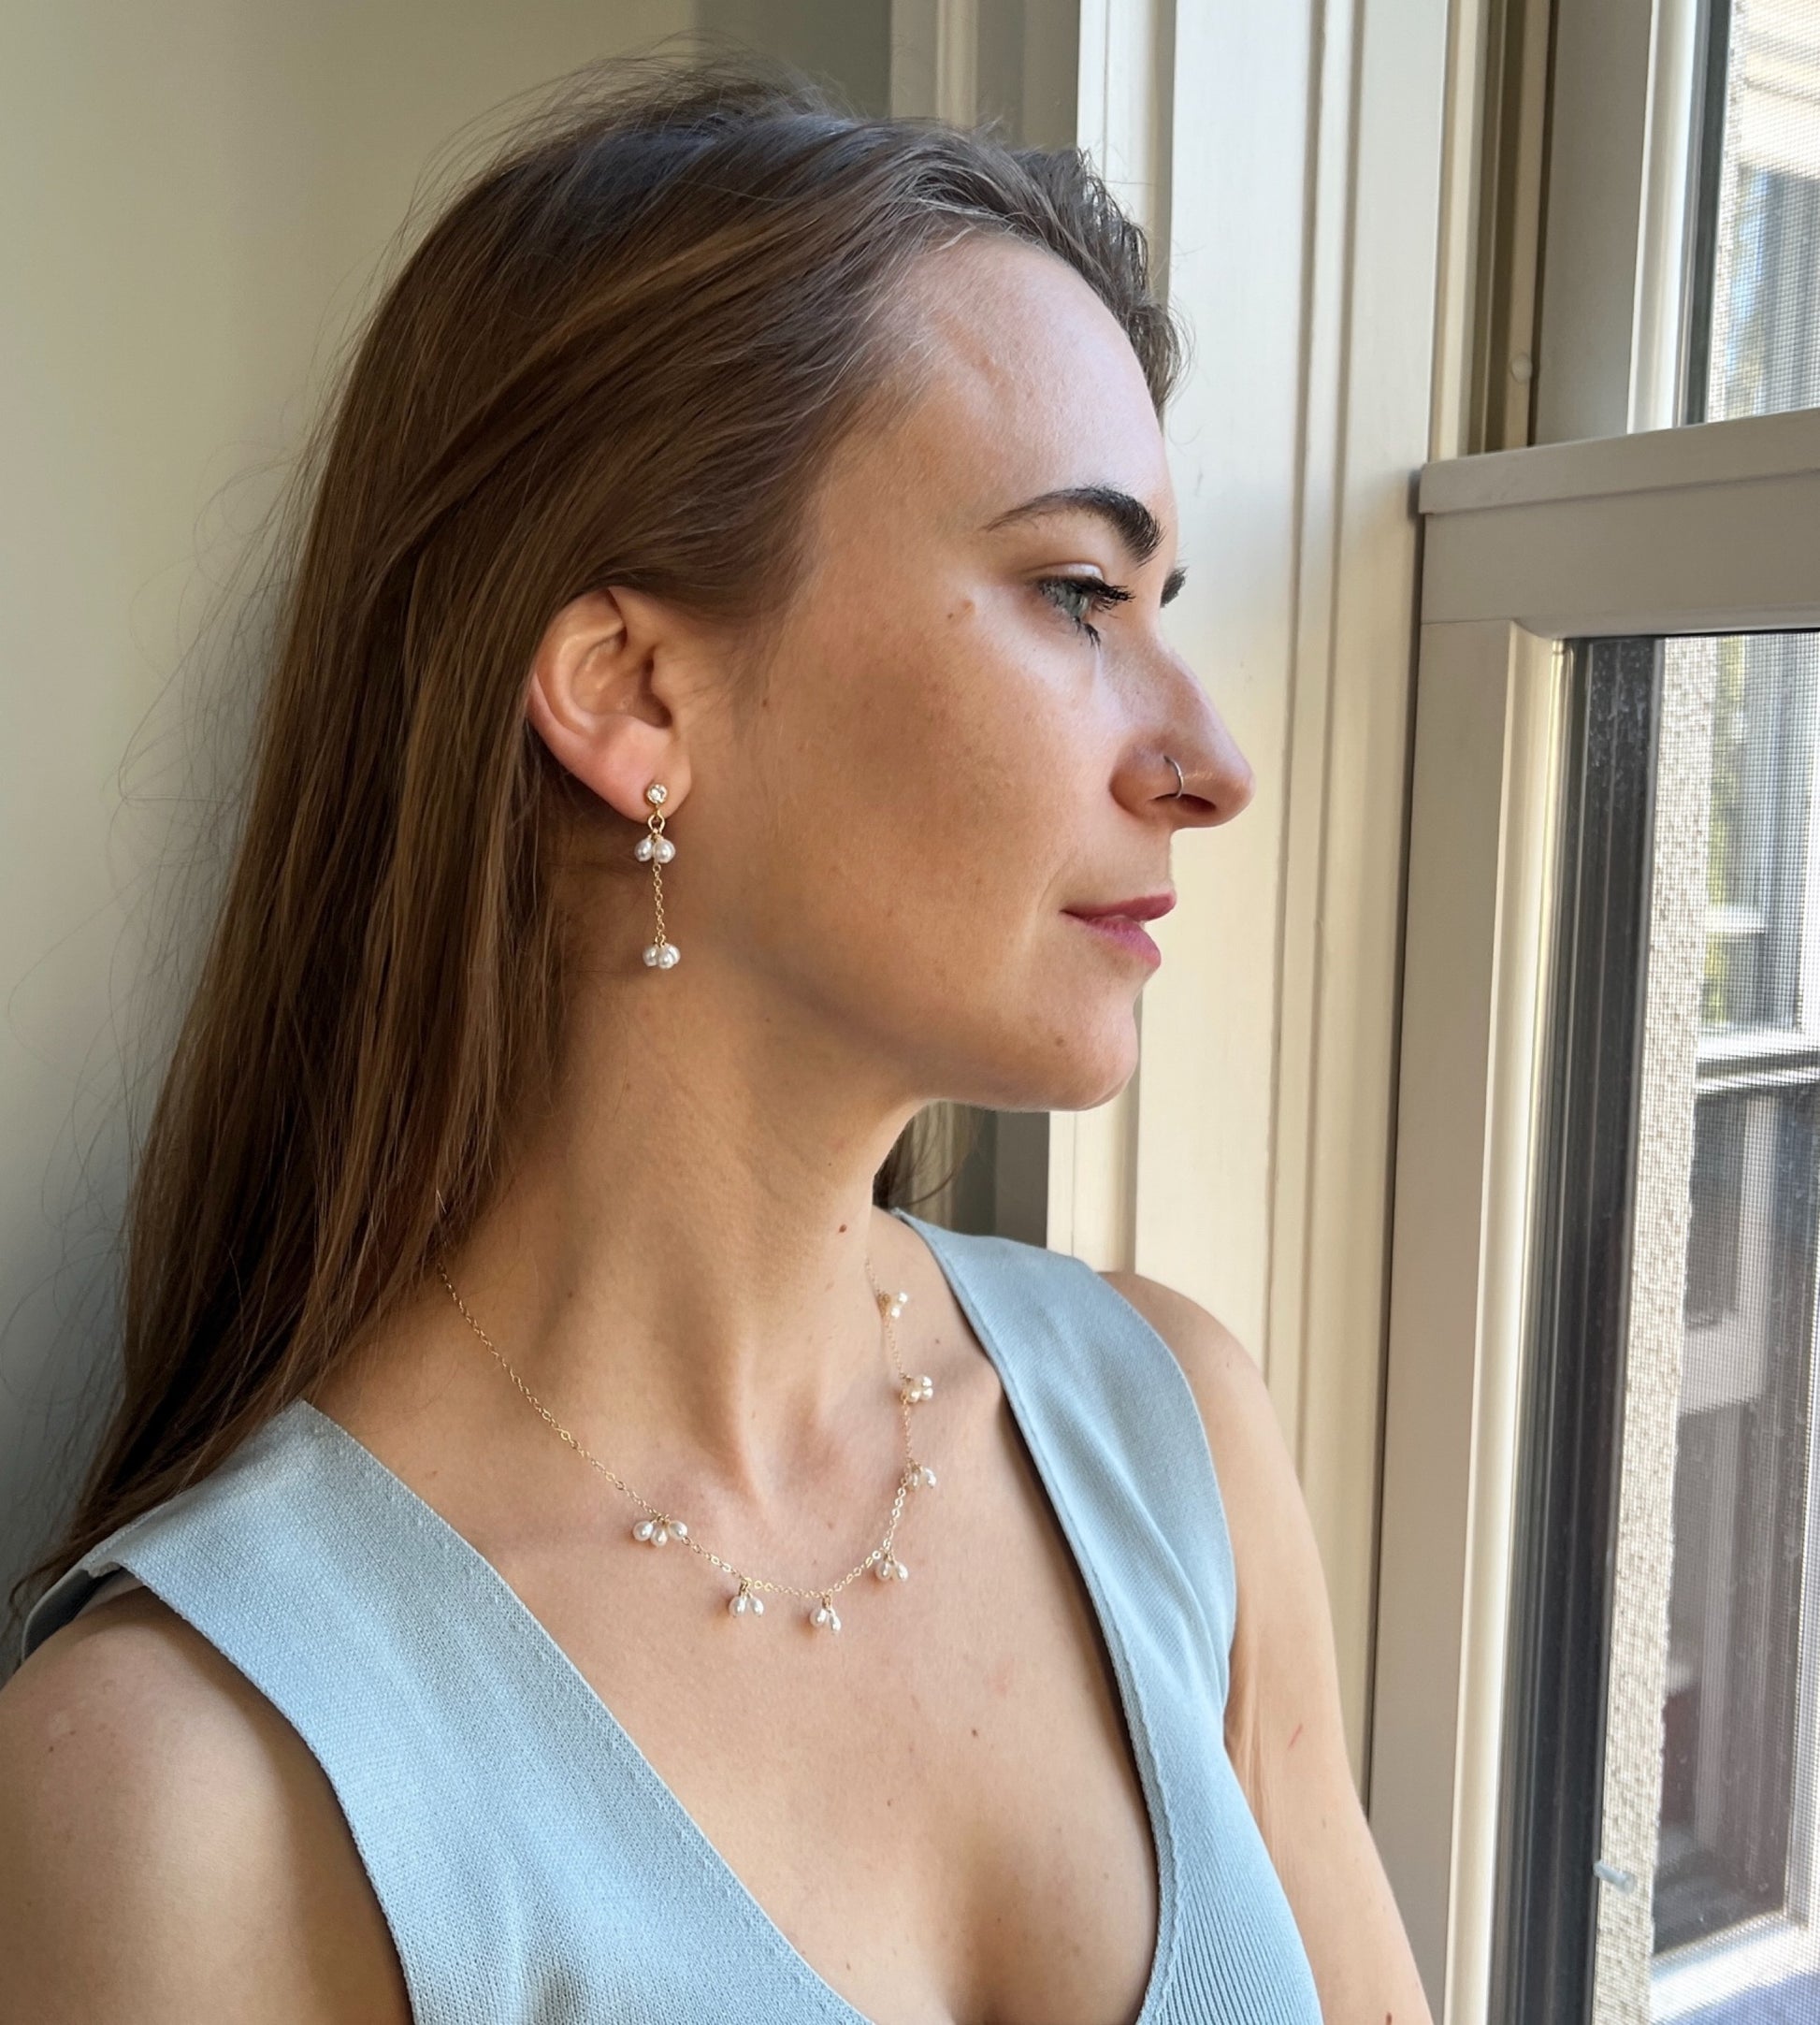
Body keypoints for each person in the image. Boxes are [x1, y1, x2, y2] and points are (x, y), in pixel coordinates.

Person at [0, 54, 1433, 2025]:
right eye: (1076, 593)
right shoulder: (187, 1783)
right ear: (632, 693)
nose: (1210, 760)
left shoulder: (1174, 1439)